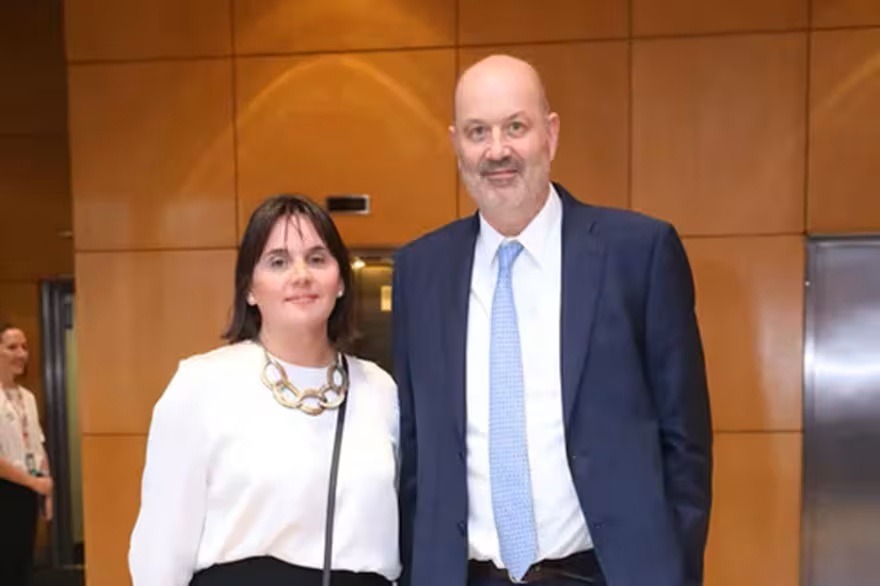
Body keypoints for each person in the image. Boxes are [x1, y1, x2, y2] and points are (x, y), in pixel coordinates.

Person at [392, 55, 713, 586]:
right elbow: (414, 453)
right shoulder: (419, 271)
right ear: (456, 144)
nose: (497, 150)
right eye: (477, 132)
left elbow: (686, 444)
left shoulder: (639, 254)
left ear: (551, 134)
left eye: (515, 127)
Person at [129, 194, 400, 586]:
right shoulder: (202, 386)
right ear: (249, 289)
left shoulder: (379, 390)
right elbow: (160, 556)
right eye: (278, 262)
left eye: (317, 259)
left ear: (341, 281)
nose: (301, 275)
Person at [0, 323, 54, 586]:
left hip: (27, 492)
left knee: (23, 565)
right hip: (6, 489)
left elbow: (37, 445)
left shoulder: (28, 398)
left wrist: (46, 488)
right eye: (12, 347)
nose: (21, 354)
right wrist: (33, 482)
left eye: (24, 347)